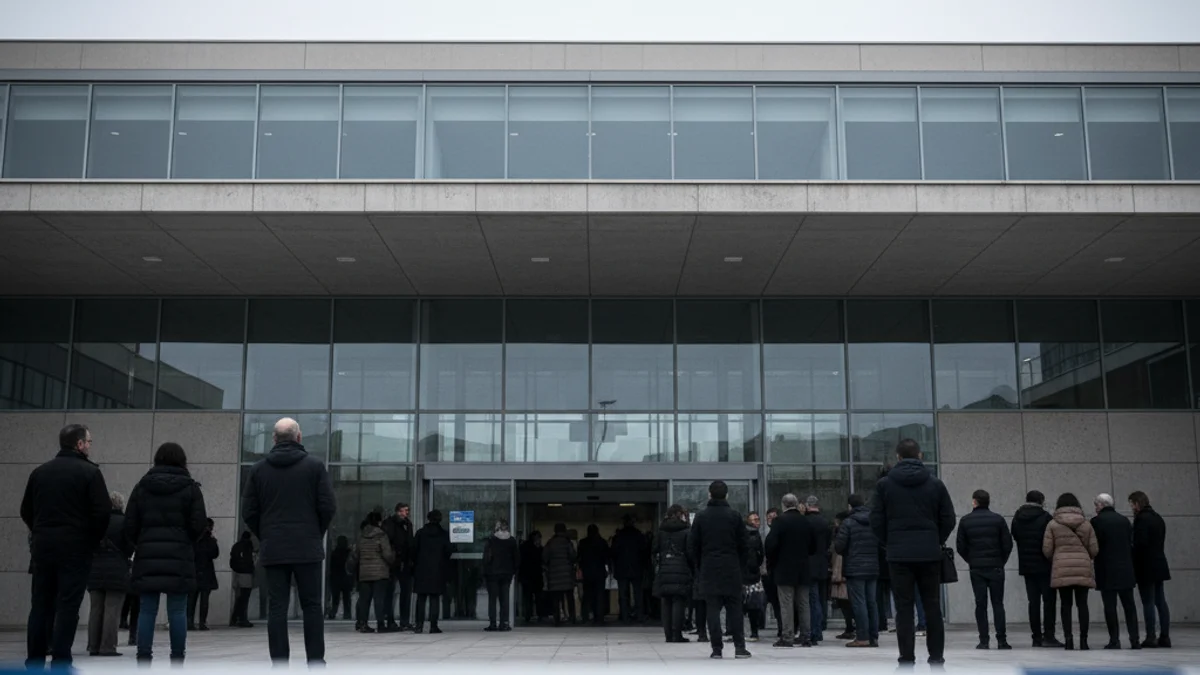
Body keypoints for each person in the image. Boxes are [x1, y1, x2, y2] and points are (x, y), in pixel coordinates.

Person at [241, 417, 337, 665]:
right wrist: (315, 533)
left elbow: (248, 512)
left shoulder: (259, 470)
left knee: (277, 607)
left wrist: (266, 534)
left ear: (274, 439)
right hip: (307, 547)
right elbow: (328, 507)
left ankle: (280, 664)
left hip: (274, 548)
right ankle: (315, 662)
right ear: (299, 437)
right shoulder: (315, 467)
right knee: (312, 606)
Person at [21, 423, 111, 669]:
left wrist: (40, 531)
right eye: (88, 442)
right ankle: (61, 660)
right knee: (68, 605)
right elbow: (102, 512)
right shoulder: (90, 473)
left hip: (43, 547)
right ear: (79, 444)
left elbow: (26, 510)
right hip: (75, 549)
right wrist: (91, 539)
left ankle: (34, 661)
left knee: (40, 605)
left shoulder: (39, 473)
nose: (90, 446)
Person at [869, 439, 955, 667]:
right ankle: (936, 657)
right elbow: (948, 518)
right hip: (929, 553)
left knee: (904, 608)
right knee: (932, 606)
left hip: (898, 555)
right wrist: (936, 539)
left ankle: (906, 658)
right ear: (920, 456)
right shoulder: (935, 484)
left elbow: (875, 520)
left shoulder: (884, 485)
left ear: (898, 457)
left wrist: (889, 542)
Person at [124, 442, 209, 664]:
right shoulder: (190, 488)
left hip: (147, 556)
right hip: (179, 556)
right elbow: (199, 524)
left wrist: (142, 543)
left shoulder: (142, 487)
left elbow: (130, 524)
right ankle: (177, 658)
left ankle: (143, 657)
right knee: (178, 611)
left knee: (147, 610)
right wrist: (186, 541)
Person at [690, 481, 751, 659]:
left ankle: (716, 649)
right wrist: (740, 566)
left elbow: (693, 546)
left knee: (712, 610)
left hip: (709, 567)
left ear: (709, 494)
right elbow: (744, 545)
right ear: (727, 495)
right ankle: (740, 647)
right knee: (735, 610)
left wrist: (699, 566)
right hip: (731, 568)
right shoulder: (734, 516)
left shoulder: (701, 517)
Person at [956, 489, 1013, 650]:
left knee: (980, 604)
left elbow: (960, 546)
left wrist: (971, 560)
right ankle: (1001, 640)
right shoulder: (998, 519)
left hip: (977, 568)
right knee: (998, 604)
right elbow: (1007, 544)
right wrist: (1001, 561)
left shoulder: (966, 521)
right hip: (996, 567)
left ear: (974, 502)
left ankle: (984, 640)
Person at [1042, 492, 1098, 651]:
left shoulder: (1052, 524)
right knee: (1082, 605)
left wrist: (1058, 558)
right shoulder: (1086, 524)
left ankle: (1068, 640)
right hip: (1082, 567)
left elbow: (1047, 550)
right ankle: (1084, 641)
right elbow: (1094, 549)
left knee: (1065, 605)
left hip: (1062, 568)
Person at [765, 493, 816, 649]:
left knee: (786, 603)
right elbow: (813, 546)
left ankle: (787, 636)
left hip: (784, 568)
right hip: (803, 568)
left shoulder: (779, 521)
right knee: (804, 603)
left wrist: (772, 562)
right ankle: (806, 636)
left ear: (783, 505)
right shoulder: (805, 521)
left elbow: (770, 545)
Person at [1011, 490, 1061, 648]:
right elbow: (1052, 539)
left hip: (1027, 565)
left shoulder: (1017, 517)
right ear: (1041, 501)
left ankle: (1036, 637)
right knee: (1049, 601)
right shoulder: (1046, 518)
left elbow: (1015, 536)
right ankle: (1049, 635)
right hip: (1045, 565)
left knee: (1033, 602)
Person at [86, 491, 133, 658]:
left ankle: (93, 646)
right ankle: (107, 647)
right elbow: (129, 546)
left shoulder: (95, 522)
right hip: (116, 570)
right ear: (121, 505)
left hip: (95, 569)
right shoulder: (124, 522)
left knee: (95, 609)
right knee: (112, 609)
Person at [1091, 493, 1141, 650]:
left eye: (1096, 505)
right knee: (1129, 606)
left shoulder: (1096, 522)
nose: (1095, 508)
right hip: (1126, 568)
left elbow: (1094, 546)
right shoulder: (1124, 520)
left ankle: (1114, 640)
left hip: (1106, 569)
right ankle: (1135, 640)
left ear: (1101, 505)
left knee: (1110, 606)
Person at [835, 494, 880, 648]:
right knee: (871, 602)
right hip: (872, 567)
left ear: (850, 506)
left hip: (855, 568)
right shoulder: (874, 521)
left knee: (859, 603)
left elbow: (839, 546)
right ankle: (873, 636)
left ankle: (862, 637)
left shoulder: (848, 522)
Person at [1129, 491, 1170, 648]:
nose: (1131, 507)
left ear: (1137, 504)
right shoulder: (1158, 518)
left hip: (1146, 566)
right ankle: (1165, 636)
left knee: (1148, 602)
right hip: (1160, 563)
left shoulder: (1141, 519)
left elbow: (1139, 544)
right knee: (1161, 601)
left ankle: (1151, 636)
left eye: (1132, 504)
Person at [350, 511, 396, 633]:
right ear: (379, 522)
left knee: (364, 600)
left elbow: (356, 554)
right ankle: (380, 624)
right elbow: (387, 554)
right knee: (379, 599)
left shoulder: (361, 536)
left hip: (364, 573)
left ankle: (363, 624)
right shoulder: (381, 535)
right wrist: (393, 559)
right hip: (380, 572)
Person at [653, 505, 692, 643]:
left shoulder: (661, 531)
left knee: (666, 601)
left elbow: (654, 549)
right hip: (681, 569)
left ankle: (668, 635)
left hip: (664, 568)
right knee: (678, 601)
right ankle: (677, 634)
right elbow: (690, 552)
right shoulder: (686, 531)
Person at [412, 509, 452, 633]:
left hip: (422, 570)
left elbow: (413, 550)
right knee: (435, 599)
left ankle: (419, 625)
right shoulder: (443, 534)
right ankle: (433, 626)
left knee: (421, 599)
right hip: (437, 570)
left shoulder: (420, 533)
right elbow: (448, 551)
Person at [380, 502, 415, 631]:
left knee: (405, 591)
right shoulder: (389, 524)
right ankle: (390, 619)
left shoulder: (407, 524)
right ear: (398, 511)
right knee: (390, 592)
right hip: (393, 562)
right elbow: (388, 541)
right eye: (404, 510)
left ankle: (404, 620)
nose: (407, 513)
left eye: (407, 510)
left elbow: (409, 542)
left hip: (404, 562)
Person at [803, 496, 831, 644]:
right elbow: (828, 543)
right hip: (822, 564)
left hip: (810, 564)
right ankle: (820, 627)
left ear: (807, 506)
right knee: (821, 599)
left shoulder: (806, 522)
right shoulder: (825, 522)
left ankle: (815, 631)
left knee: (812, 600)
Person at [483, 519, 519, 631]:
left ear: (497, 528)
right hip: (507, 573)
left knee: (492, 599)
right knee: (505, 599)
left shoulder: (491, 540)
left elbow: (486, 558)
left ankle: (493, 623)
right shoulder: (512, 541)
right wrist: (513, 571)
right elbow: (517, 558)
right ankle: (504, 623)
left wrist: (485, 571)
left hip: (492, 574)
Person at [611, 514, 648, 623]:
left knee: (623, 595)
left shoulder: (618, 536)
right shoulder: (639, 535)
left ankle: (625, 616)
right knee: (638, 594)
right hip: (637, 568)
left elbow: (613, 552)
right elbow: (644, 552)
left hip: (622, 568)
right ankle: (639, 615)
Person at [542, 523, 577, 626]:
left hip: (554, 576)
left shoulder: (550, 543)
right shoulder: (567, 543)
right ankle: (572, 618)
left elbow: (544, 557)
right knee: (570, 598)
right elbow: (573, 556)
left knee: (556, 600)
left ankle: (557, 620)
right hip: (567, 576)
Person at [189, 518, 219, 631]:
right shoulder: (210, 540)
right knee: (204, 599)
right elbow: (215, 554)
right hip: (206, 572)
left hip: (195, 571)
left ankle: (189, 622)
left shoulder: (194, 539)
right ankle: (202, 622)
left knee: (192, 599)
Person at [577, 524, 610, 625]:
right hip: (599, 572)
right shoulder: (602, 542)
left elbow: (579, 557)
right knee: (599, 596)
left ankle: (585, 617)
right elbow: (607, 557)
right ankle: (599, 618)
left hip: (587, 573)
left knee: (587, 595)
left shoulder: (583, 543)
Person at [829, 511, 854, 640]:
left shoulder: (841, 534)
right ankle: (851, 627)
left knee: (845, 602)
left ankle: (850, 628)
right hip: (846, 571)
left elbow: (837, 552)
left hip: (841, 572)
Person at [741, 512, 766, 642]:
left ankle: (737, 631)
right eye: (754, 520)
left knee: (739, 604)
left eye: (757, 519)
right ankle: (754, 631)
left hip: (741, 575)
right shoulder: (756, 535)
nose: (757, 522)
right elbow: (761, 555)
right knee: (754, 605)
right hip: (753, 575)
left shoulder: (739, 535)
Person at [230, 532, 257, 627]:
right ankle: (242, 619)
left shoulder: (236, 546)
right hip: (246, 575)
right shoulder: (248, 546)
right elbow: (250, 561)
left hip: (237, 575)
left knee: (239, 598)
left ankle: (235, 618)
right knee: (244, 599)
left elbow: (232, 561)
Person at [762, 508, 781, 636]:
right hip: (767, 572)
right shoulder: (764, 533)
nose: (771, 519)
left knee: (779, 602)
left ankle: (782, 627)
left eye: (773, 517)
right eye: (769, 517)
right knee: (774, 602)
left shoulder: (777, 533)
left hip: (776, 571)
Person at [519, 531, 545, 623]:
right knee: (538, 597)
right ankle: (539, 614)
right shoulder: (538, 548)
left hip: (526, 575)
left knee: (527, 597)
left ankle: (528, 615)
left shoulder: (523, 547)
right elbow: (541, 559)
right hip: (536, 575)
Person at [325, 535, 352, 621]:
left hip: (335, 579)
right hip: (346, 578)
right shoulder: (348, 553)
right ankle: (347, 614)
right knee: (347, 598)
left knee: (335, 599)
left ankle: (333, 613)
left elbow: (331, 567)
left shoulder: (334, 554)